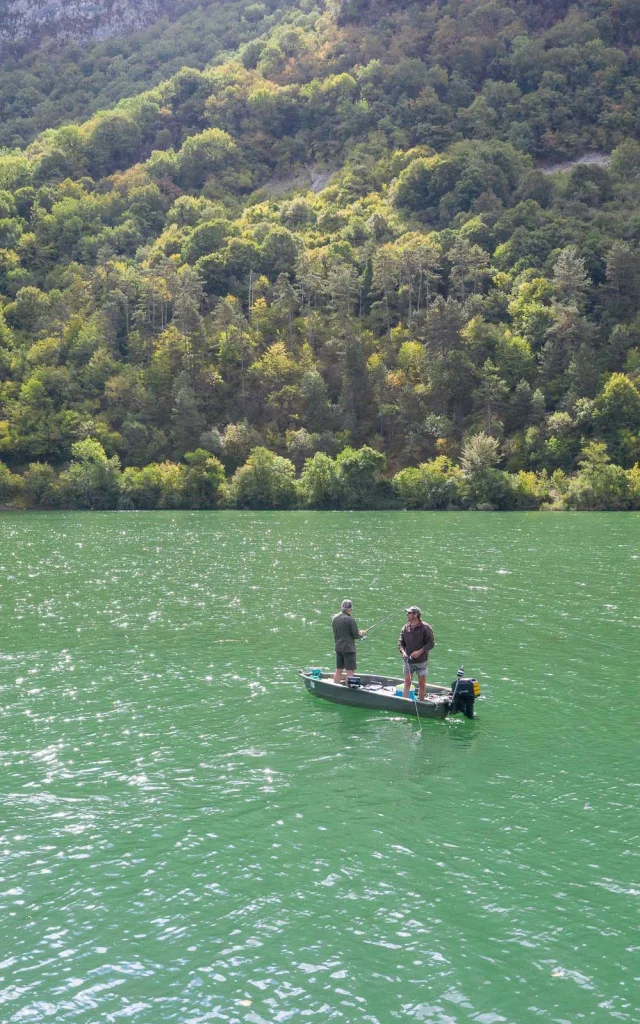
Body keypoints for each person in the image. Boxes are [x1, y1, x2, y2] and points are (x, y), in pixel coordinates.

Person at [398, 606, 435, 701]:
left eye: (409, 613)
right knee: (407, 683)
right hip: (408, 661)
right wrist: (403, 653)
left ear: (415, 615)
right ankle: (405, 702)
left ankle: (421, 702)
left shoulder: (425, 627)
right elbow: (400, 643)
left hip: (421, 662)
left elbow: (431, 643)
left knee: (422, 684)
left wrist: (419, 652)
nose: (407, 614)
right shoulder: (405, 628)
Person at [332, 599, 366, 684]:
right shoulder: (350, 620)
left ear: (341, 607)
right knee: (350, 671)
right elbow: (355, 635)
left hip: (338, 647)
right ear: (350, 609)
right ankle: (349, 688)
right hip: (348, 649)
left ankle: (335, 686)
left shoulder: (334, 618)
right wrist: (361, 634)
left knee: (339, 669)